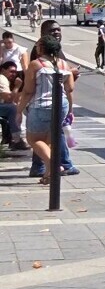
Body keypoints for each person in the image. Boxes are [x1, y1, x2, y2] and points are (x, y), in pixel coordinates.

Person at [17, 35, 75, 184]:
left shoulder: (36, 65)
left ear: (42, 48)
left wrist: (19, 110)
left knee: (34, 139)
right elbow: (70, 88)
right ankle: (49, 173)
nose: (36, 48)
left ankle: (54, 166)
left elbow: (28, 91)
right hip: (61, 105)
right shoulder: (64, 64)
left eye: (37, 45)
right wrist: (70, 110)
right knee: (49, 139)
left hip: (41, 105)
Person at [0, 60, 27, 150]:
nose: (14, 74)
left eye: (15, 72)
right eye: (11, 71)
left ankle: (10, 138)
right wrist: (17, 87)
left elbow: (11, 100)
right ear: (3, 70)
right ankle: (17, 140)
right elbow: (9, 98)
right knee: (12, 108)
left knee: (14, 107)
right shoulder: (2, 78)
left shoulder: (5, 80)